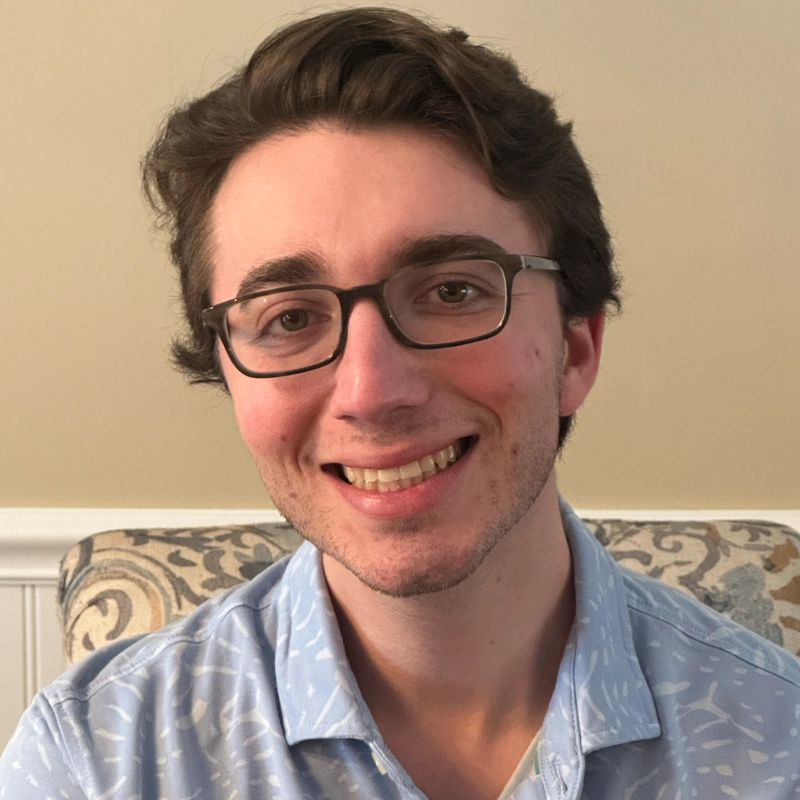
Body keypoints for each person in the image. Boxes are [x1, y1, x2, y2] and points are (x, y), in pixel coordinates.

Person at [2, 7, 799, 799]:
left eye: (452, 291)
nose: (372, 391)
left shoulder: (781, 740)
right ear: (229, 372)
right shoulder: (96, 761)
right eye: (288, 318)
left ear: (575, 348)